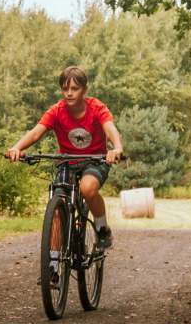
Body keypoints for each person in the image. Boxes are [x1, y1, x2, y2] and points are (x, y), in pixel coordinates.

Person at [7, 64, 126, 266]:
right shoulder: (57, 111)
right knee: (56, 209)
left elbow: (110, 128)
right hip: (67, 162)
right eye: (65, 88)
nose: (69, 93)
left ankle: (102, 228)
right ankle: (53, 266)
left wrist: (117, 147)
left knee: (87, 188)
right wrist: (16, 148)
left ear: (84, 90)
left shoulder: (97, 108)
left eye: (75, 88)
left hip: (95, 160)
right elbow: (36, 133)